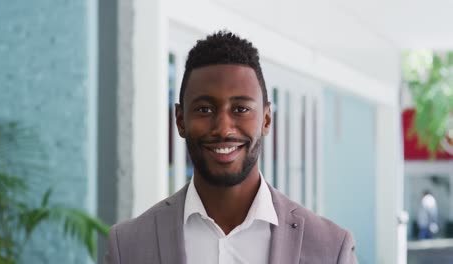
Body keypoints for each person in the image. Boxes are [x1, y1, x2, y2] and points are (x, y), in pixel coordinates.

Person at [105, 31, 357, 264]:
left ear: (266, 120)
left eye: (240, 109)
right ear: (180, 120)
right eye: (205, 109)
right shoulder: (128, 245)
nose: (224, 128)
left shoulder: (331, 248)